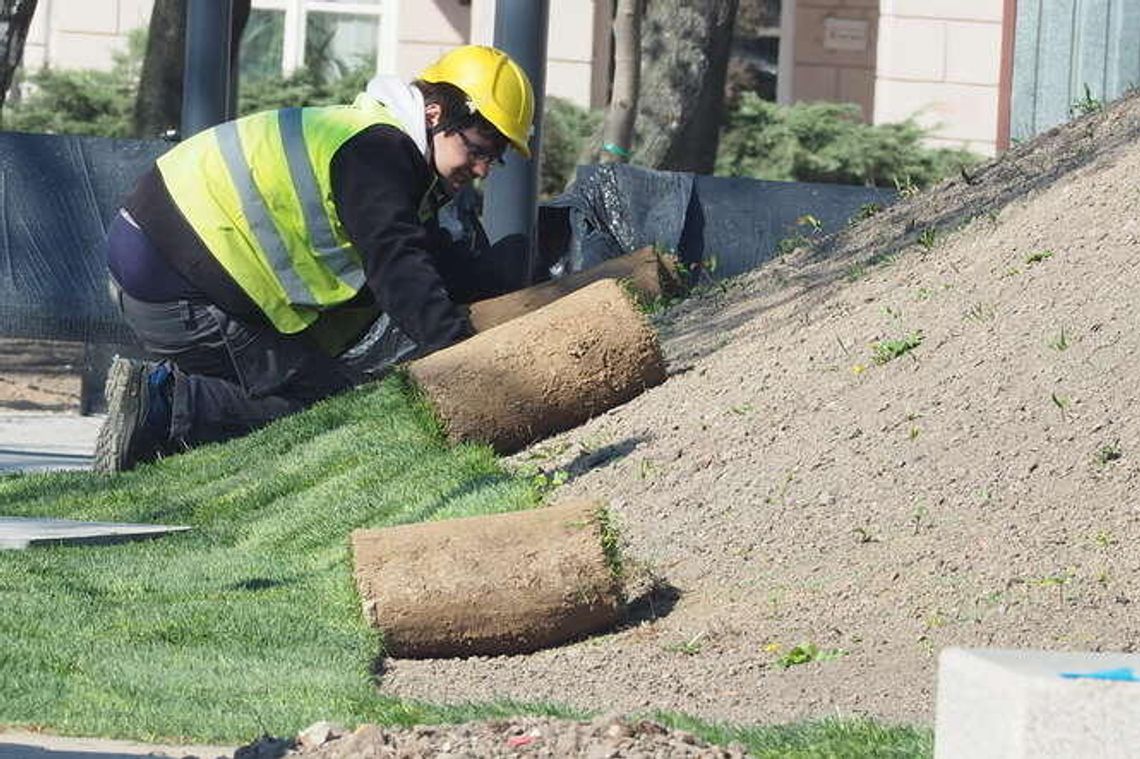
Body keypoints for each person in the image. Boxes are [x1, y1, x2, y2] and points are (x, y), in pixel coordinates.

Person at [94, 45, 535, 473]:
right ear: (436, 115)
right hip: (173, 280)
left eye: (492, 159)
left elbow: (427, 256)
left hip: (169, 264)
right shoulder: (379, 154)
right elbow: (400, 272)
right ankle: (164, 404)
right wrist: (466, 365)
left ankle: (169, 413)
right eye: (477, 149)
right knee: (329, 403)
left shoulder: (377, 143)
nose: (480, 170)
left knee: (318, 381)